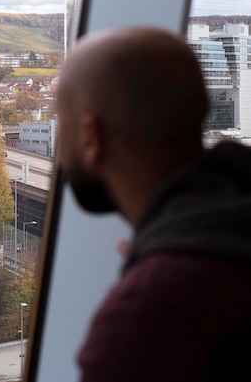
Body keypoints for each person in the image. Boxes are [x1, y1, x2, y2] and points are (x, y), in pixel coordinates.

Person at [56, 27, 251, 381]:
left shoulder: (142, 324)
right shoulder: (227, 228)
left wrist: (155, 278)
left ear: (90, 137)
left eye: (60, 123)